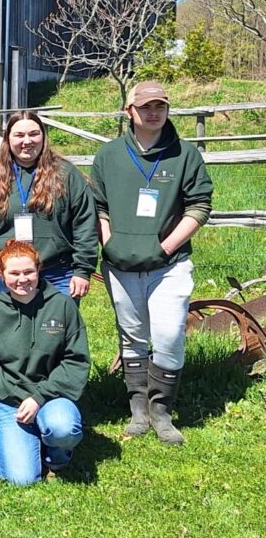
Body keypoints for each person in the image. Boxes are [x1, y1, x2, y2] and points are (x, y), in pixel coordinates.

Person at [90, 82, 213, 445]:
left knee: (169, 335)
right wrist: (109, 243)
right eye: (145, 107)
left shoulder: (185, 155)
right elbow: (98, 207)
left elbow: (199, 206)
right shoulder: (109, 155)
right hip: (120, 265)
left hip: (169, 264)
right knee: (132, 335)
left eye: (160, 106)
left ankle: (162, 411)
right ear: (129, 111)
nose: (153, 112)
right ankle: (138, 409)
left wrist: (166, 247)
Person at [0, 240, 90, 485]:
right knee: (21, 479)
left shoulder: (62, 305)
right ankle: (28, 442)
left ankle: (57, 457)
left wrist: (39, 398)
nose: (22, 279)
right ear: (1, 274)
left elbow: (76, 361)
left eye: (28, 272)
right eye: (14, 273)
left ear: (38, 269)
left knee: (62, 428)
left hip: (53, 396)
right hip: (10, 398)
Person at [0, 110, 98, 300]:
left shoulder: (67, 176)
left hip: (57, 275)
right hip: (3, 277)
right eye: (19, 135)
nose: (27, 141)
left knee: (56, 330)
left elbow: (84, 225)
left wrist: (82, 271)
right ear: (7, 139)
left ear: (43, 136)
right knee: (5, 329)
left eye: (34, 134)